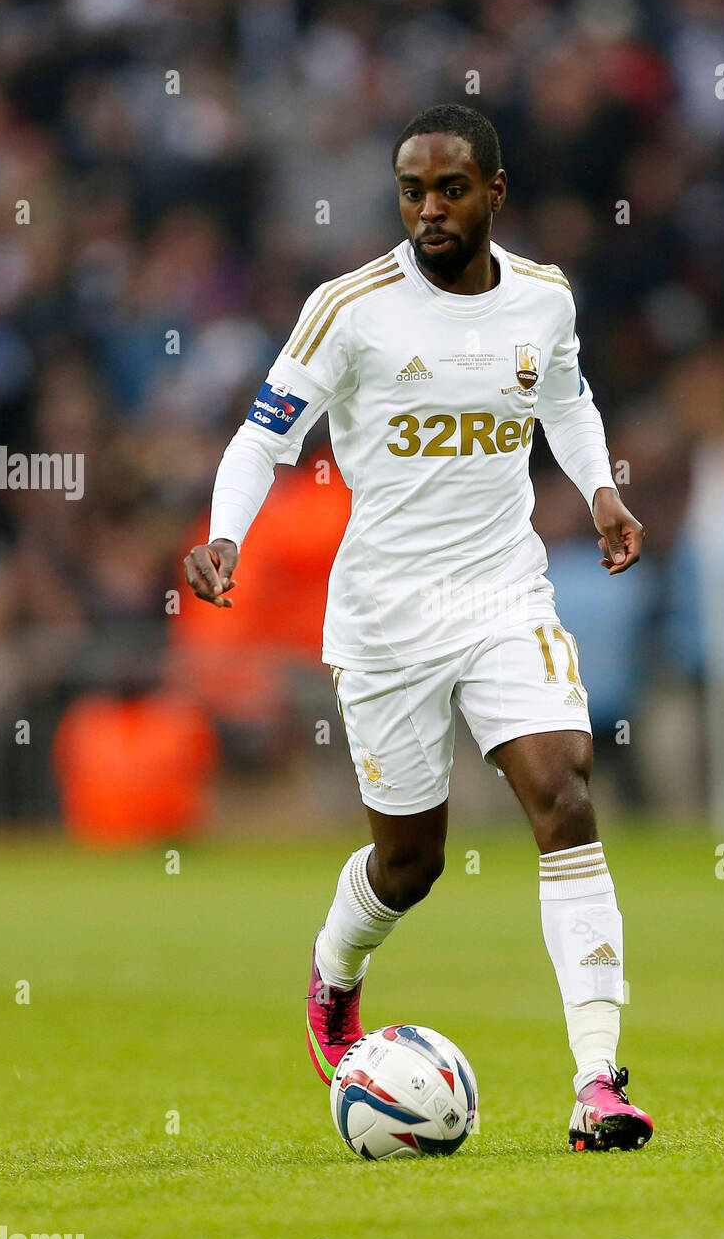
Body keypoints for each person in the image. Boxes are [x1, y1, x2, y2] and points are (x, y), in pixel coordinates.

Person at [184, 104, 651, 1151]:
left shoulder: (544, 298)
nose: (428, 210)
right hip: (388, 619)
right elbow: (262, 438)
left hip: (503, 594)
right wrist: (226, 537)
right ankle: (336, 972)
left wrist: (601, 492)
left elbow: (567, 401)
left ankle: (598, 1081)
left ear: (495, 190)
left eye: (449, 189)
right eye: (411, 191)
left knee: (564, 790)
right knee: (411, 863)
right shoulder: (350, 310)